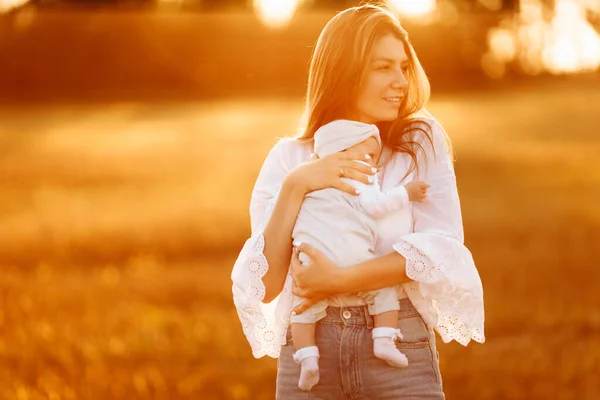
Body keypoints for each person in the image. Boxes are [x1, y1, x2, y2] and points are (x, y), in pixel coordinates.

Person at [231, 4, 485, 399]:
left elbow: (441, 249)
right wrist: (297, 186)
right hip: (309, 351)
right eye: (383, 67)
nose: (400, 81)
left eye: (403, 67)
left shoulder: (418, 143)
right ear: (343, 73)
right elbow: (265, 285)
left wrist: (341, 280)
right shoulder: (290, 159)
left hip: (396, 345)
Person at [290, 119, 430, 391]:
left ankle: (308, 360)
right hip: (353, 259)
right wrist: (406, 192)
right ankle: (384, 340)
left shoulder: (309, 181)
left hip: (311, 261)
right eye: (369, 156)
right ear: (340, 153)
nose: (373, 165)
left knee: (302, 312)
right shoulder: (359, 180)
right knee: (384, 291)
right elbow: (378, 206)